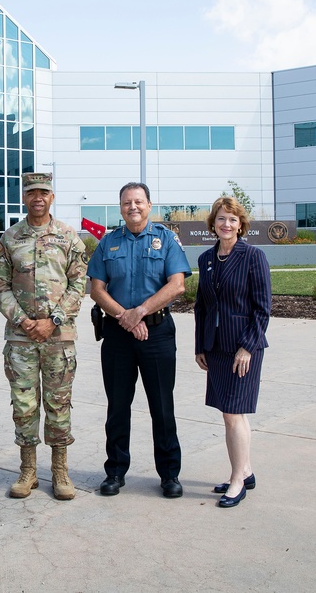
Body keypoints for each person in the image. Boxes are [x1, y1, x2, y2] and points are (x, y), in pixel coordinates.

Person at [88, 182, 191, 499]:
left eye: (138, 201)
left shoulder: (166, 240)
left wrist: (142, 312)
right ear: (120, 207)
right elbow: (97, 290)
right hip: (118, 335)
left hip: (157, 333)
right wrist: (127, 319)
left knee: (162, 406)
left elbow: (177, 286)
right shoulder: (108, 243)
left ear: (149, 204)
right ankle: (115, 472)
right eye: (126, 202)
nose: (133, 207)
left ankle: (170, 474)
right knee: (117, 407)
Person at [0, 172, 88, 501]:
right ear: (24, 197)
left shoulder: (68, 237)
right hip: (21, 339)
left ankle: (60, 471)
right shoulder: (10, 238)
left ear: (51, 197)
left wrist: (53, 319)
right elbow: (1, 287)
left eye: (44, 192)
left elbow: (79, 284)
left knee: (58, 405)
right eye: (32, 192)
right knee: (24, 405)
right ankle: (28, 470)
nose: (38, 198)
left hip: (59, 338)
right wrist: (23, 320)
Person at [194, 196, 271, 508]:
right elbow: (202, 306)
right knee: (229, 413)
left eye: (232, 219)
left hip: (243, 349)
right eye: (221, 219)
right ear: (213, 224)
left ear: (241, 225)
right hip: (216, 348)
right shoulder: (206, 259)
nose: (226, 224)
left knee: (233, 413)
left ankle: (237, 480)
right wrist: (200, 346)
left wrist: (247, 347)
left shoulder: (253, 257)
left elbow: (262, 310)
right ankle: (246, 471)